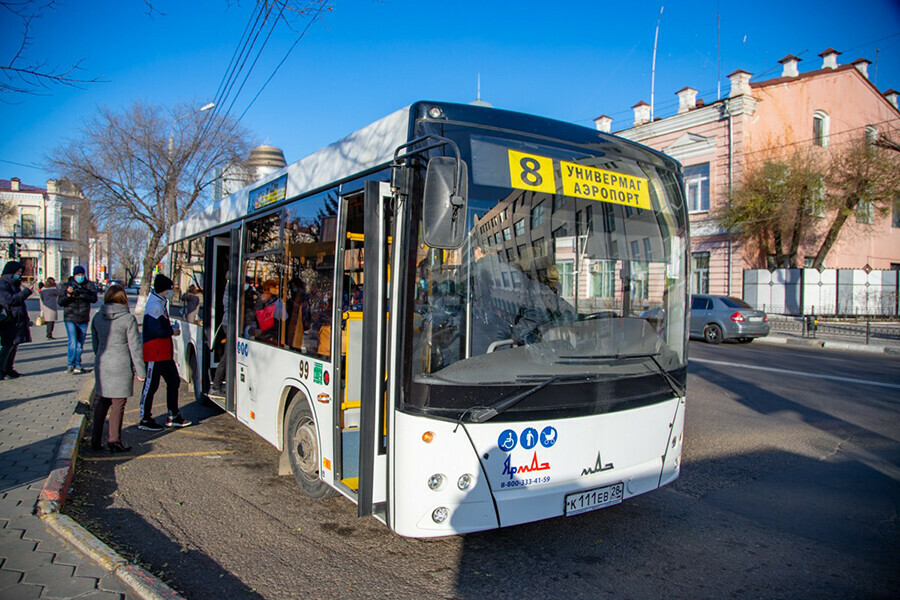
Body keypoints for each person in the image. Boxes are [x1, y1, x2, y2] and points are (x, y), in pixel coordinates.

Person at [90, 285, 146, 452]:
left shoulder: (97, 317)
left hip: (103, 363)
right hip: (121, 365)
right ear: (123, 299)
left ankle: (95, 440)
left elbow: (95, 344)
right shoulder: (128, 319)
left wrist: (101, 356)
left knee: (102, 401)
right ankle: (114, 440)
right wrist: (141, 371)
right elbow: (135, 347)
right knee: (118, 403)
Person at [139, 273, 192, 430]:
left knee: (173, 381)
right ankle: (145, 418)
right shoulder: (154, 306)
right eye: (170, 289)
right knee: (151, 385)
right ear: (164, 290)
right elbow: (156, 331)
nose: (171, 292)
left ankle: (173, 415)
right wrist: (172, 331)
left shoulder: (159, 302)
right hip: (155, 352)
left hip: (163, 353)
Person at [57, 265, 98, 374]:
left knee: (80, 343)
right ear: (74, 275)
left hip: (83, 317)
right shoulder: (67, 285)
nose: (80, 277)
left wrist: (81, 294)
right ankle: (71, 364)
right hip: (70, 317)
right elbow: (60, 302)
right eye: (78, 275)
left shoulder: (89, 285)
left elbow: (94, 298)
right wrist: (69, 294)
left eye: (82, 275)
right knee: (72, 341)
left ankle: (78, 364)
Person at [0, 261, 33, 380]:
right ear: (11, 272)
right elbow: (9, 300)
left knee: (14, 345)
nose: (19, 275)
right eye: (18, 272)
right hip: (9, 321)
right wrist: (26, 292)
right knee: (8, 346)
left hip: (17, 320)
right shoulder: (3, 284)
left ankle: (9, 369)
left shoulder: (14, 284)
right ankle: (1, 370)